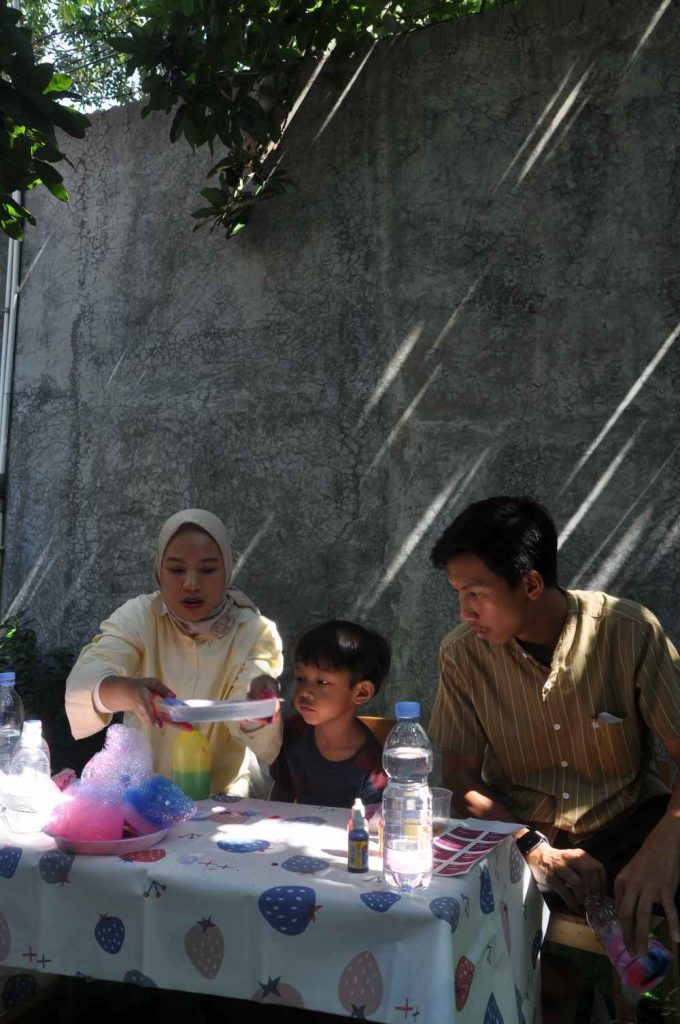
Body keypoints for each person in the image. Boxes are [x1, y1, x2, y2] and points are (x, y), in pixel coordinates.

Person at [428, 496, 680, 956]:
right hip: (519, 833)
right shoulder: (462, 654)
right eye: (458, 594)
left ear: (530, 583)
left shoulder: (628, 631)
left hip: (624, 826)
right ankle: (552, 985)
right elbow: (460, 778)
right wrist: (528, 844)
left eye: (477, 594)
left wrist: (662, 848)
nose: (465, 612)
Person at [65, 509, 283, 795]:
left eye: (207, 570)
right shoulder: (139, 617)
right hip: (142, 796)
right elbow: (87, 676)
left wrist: (256, 706)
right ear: (159, 570)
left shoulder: (255, 632)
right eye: (177, 570)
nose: (191, 583)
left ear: (227, 570)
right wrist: (128, 691)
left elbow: (252, 718)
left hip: (225, 799)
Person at [270, 620, 390, 807]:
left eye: (322, 682)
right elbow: (278, 803)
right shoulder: (291, 733)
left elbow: (372, 823)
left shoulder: (372, 769)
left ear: (361, 692)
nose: (305, 692)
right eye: (301, 679)